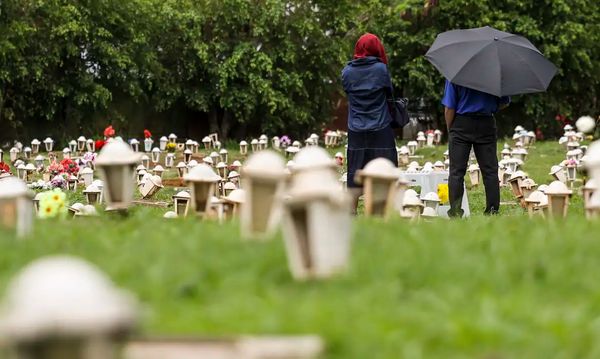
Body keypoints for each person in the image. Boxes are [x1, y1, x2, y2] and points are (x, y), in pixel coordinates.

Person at [342, 33, 398, 213]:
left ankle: (351, 212)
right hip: (381, 127)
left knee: (355, 172)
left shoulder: (347, 72)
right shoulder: (381, 70)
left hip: (356, 128)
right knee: (386, 171)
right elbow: (389, 95)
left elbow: (348, 94)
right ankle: (386, 210)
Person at [442, 80, 510, 217]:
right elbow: (505, 101)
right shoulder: (495, 73)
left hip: (461, 122)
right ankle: (492, 211)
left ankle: (455, 213)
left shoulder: (456, 73)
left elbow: (450, 107)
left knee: (456, 172)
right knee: (490, 171)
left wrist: (451, 128)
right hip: (486, 122)